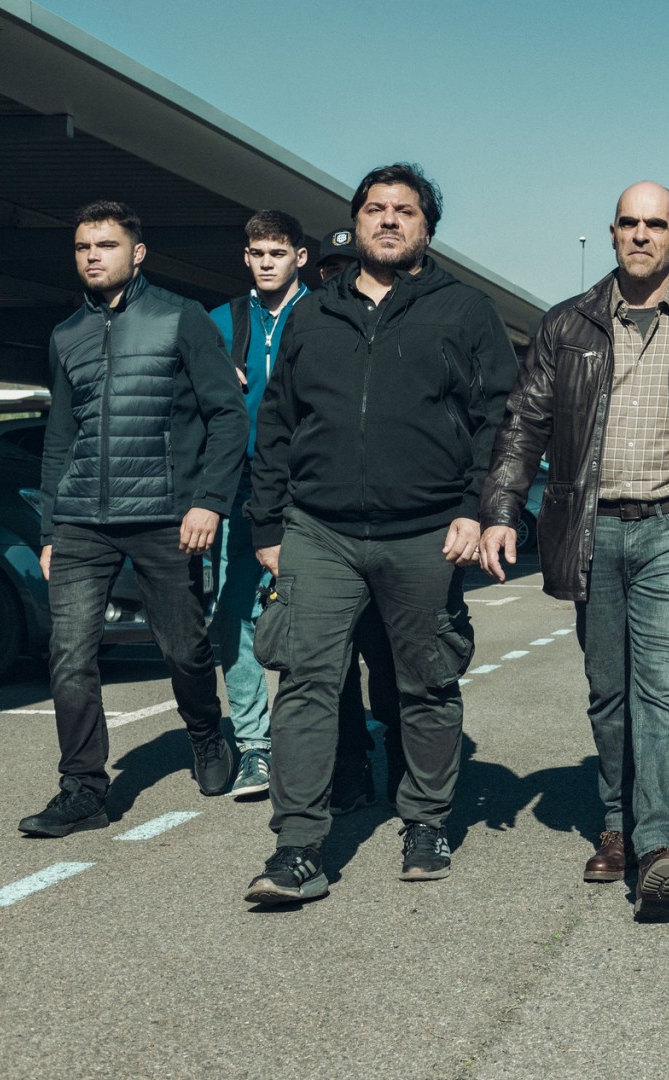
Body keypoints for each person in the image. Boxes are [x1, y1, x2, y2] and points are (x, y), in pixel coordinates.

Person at [478, 181, 669, 920]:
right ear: (612, 233)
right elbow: (524, 423)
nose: (642, 235)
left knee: (664, 687)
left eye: (656, 225)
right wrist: (503, 509)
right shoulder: (567, 325)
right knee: (609, 690)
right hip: (593, 530)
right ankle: (615, 823)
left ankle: (659, 843)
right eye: (629, 223)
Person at [242, 163, 516, 904]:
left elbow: (500, 419)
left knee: (426, 682)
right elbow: (277, 423)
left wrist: (477, 508)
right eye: (374, 209)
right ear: (355, 220)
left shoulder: (465, 310)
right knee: (305, 685)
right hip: (319, 531)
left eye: (404, 210)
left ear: (427, 227)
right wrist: (267, 524)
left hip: (426, 531)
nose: (388, 219)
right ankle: (298, 848)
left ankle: (425, 822)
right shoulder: (313, 315)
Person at [20, 200, 248, 838]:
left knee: (184, 648)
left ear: (137, 253)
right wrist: (49, 529)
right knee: (69, 653)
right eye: (83, 247)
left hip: (165, 516)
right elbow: (59, 439)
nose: (92, 256)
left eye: (106, 245)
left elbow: (228, 416)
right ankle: (83, 790)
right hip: (81, 522)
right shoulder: (66, 334)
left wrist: (209, 501)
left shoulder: (182, 318)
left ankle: (204, 732)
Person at [205, 210, 311, 800]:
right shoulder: (220, 321)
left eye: (278, 252)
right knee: (234, 612)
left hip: (310, 487)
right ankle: (254, 746)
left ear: (299, 257)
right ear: (246, 257)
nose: (267, 262)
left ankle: (314, 739)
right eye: (258, 253)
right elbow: (187, 398)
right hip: (241, 486)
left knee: (314, 617)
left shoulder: (323, 313)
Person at [307, 223, 401, 813]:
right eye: (330, 270)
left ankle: (399, 753)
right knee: (331, 668)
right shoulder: (311, 327)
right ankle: (349, 766)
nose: (339, 278)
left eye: (349, 267)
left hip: (392, 532)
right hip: (324, 531)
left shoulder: (395, 329)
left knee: (389, 662)